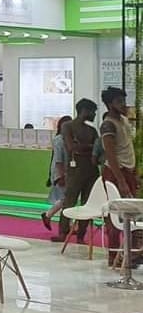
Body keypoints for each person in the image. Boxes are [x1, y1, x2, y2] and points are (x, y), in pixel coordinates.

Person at [100, 86, 137, 264]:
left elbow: (128, 148)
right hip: (115, 172)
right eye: (118, 101)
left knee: (132, 213)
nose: (123, 104)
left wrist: (134, 172)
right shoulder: (108, 125)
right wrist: (121, 181)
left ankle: (131, 254)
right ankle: (113, 255)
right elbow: (111, 155)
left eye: (123, 100)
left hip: (128, 170)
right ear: (109, 104)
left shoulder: (124, 120)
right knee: (115, 214)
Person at [54, 98, 99, 243]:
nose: (94, 115)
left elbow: (97, 150)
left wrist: (82, 147)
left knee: (87, 204)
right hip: (75, 170)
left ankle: (81, 235)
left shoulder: (92, 130)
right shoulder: (67, 126)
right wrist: (89, 147)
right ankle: (63, 232)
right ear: (84, 110)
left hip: (91, 171)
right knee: (69, 202)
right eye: (93, 112)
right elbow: (71, 147)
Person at [41, 114, 72, 231]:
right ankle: (48, 215)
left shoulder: (66, 139)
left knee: (67, 198)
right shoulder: (59, 140)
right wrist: (60, 175)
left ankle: (68, 224)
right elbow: (58, 159)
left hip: (64, 171)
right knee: (66, 198)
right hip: (61, 172)